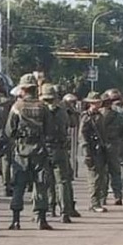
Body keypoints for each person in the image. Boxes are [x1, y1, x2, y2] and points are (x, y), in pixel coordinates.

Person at [5, 74, 51, 230]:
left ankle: (16, 221)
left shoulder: (17, 107)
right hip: (39, 151)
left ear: (23, 89)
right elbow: (49, 129)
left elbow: (9, 131)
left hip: (22, 151)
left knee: (19, 185)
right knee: (41, 184)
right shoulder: (43, 107)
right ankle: (42, 219)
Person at [41, 83, 74, 223]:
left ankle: (50, 207)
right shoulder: (62, 111)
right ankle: (65, 211)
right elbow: (69, 125)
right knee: (62, 181)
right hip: (60, 148)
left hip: (44, 148)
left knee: (46, 181)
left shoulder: (41, 110)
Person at [81, 91, 108, 213]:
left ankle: (99, 201)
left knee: (100, 177)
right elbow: (83, 137)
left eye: (98, 102)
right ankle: (94, 203)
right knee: (94, 178)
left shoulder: (100, 116)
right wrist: (87, 153)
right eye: (95, 103)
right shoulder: (86, 117)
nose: (97, 105)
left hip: (100, 150)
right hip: (91, 150)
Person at [101, 89, 123, 204]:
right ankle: (118, 195)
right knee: (115, 171)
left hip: (101, 145)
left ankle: (103, 197)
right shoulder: (119, 116)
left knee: (103, 172)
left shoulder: (98, 115)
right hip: (114, 144)